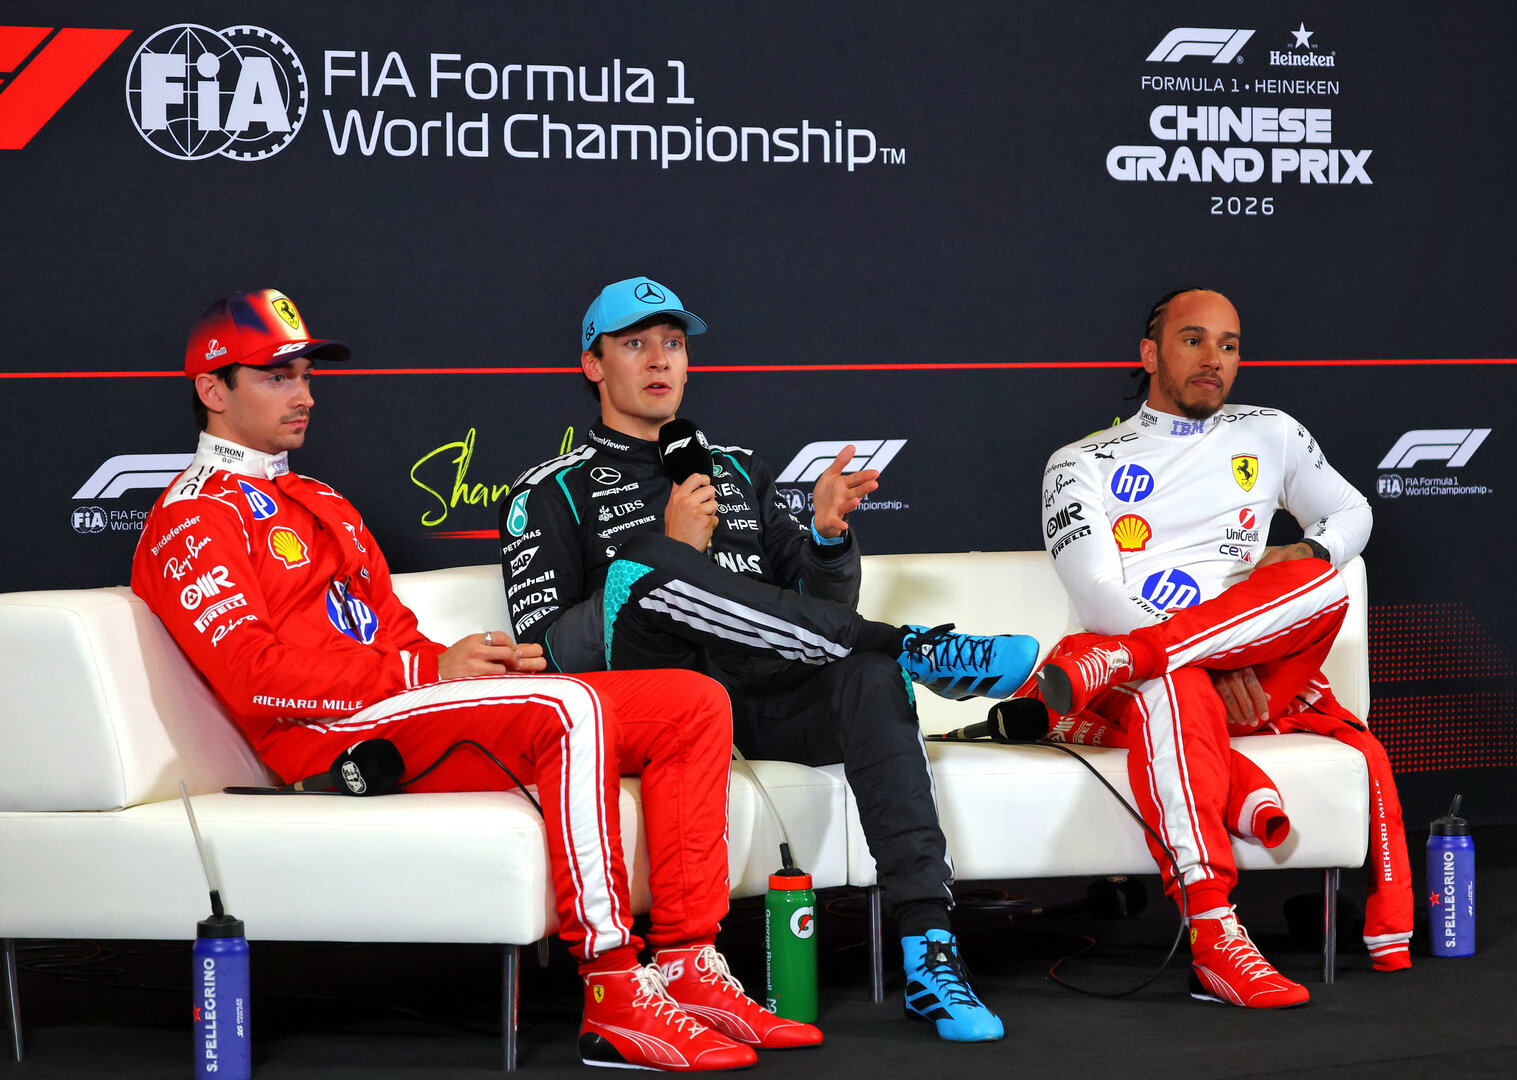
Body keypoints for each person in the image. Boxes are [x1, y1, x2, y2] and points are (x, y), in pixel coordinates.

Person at [132, 288, 822, 1072]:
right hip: (320, 740)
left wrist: (464, 662)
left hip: (395, 709)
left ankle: (689, 965)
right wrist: (426, 669)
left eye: (305, 373)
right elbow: (254, 678)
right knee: (567, 709)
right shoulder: (192, 517)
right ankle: (613, 992)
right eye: (278, 376)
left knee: (692, 704)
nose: (305, 393)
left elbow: (386, 631)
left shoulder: (319, 499)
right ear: (213, 389)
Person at [499, 276, 1040, 1042]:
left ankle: (930, 951)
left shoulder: (737, 472)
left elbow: (824, 605)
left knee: (867, 674)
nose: (660, 360)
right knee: (649, 571)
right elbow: (548, 652)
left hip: (768, 693)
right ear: (593, 365)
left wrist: (824, 536)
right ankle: (917, 645)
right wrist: (672, 553)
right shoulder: (550, 493)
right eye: (634, 343)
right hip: (665, 708)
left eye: (674, 344)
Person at [1025, 287, 1413, 1009]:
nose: (1215, 360)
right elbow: (1103, 600)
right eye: (1194, 340)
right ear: (1149, 355)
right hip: (1139, 677)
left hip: (1251, 670)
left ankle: (1153, 661)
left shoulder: (1272, 432)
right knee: (1166, 685)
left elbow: (1352, 513)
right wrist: (1203, 664)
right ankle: (1213, 935)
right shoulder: (1078, 462)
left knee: (1323, 581)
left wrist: (1306, 547)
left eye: (1229, 345)